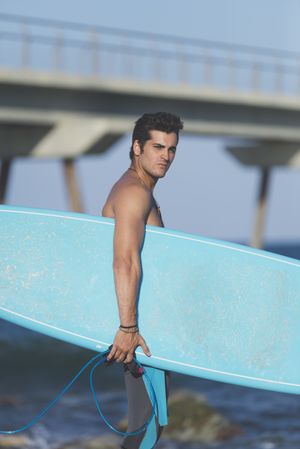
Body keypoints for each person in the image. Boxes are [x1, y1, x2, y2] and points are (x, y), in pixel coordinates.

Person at [102, 111, 184, 449]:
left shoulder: (141, 190)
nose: (165, 156)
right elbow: (125, 260)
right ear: (137, 147)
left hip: (146, 326)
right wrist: (127, 327)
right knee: (144, 428)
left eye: (172, 149)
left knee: (148, 425)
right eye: (157, 147)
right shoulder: (134, 192)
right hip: (136, 329)